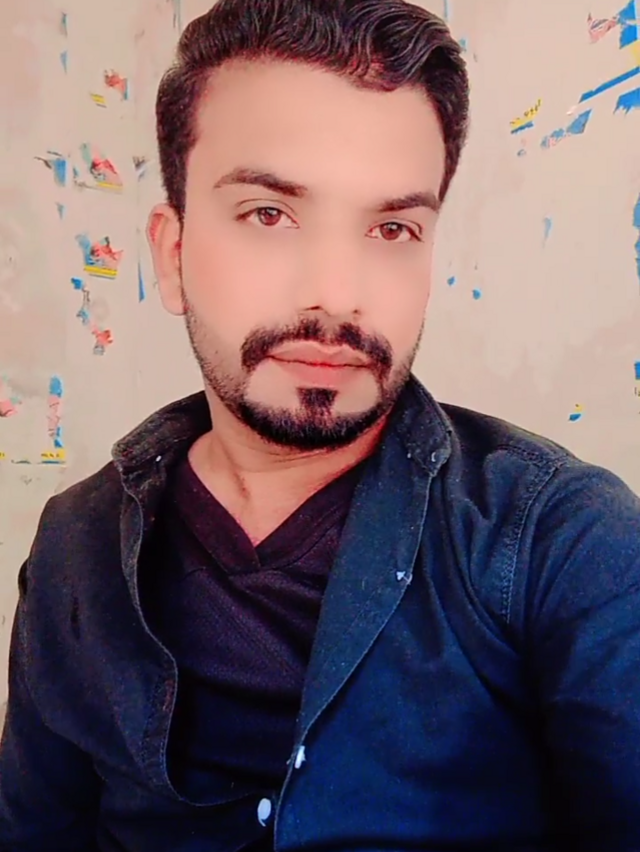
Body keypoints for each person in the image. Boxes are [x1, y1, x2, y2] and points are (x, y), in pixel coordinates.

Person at [1, 0, 640, 849]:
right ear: (173, 254)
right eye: (269, 214)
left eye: (392, 228)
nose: (337, 295)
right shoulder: (75, 543)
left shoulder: (562, 540)